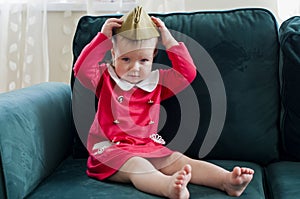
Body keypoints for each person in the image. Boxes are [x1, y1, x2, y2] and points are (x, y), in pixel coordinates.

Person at [73, 6, 254, 199]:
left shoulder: (157, 81)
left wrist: (169, 41)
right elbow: (81, 70)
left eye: (143, 60)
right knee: (137, 165)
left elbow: (188, 73)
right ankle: (167, 186)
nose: (134, 68)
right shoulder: (104, 77)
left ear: (153, 57)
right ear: (113, 54)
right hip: (111, 152)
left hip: (147, 146)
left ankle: (227, 181)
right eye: (126, 59)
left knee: (179, 160)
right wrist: (102, 38)